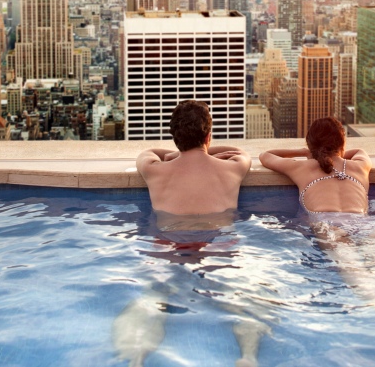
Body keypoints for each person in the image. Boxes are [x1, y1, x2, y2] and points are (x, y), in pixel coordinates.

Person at [260, 117, 375, 365]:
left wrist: (306, 153)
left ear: (311, 146)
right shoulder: (359, 165)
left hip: (329, 226)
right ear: (342, 143)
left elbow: (266, 155)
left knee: (357, 275)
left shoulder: (302, 168)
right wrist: (332, 151)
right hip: (367, 225)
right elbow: (361, 150)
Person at [114, 100, 267, 367]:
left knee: (152, 299)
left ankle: (137, 358)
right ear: (208, 135)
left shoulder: (154, 170)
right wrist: (206, 151)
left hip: (167, 248)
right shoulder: (232, 168)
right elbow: (240, 152)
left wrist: (176, 155)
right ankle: (248, 356)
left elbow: (148, 152)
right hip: (217, 247)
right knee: (246, 305)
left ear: (175, 139)